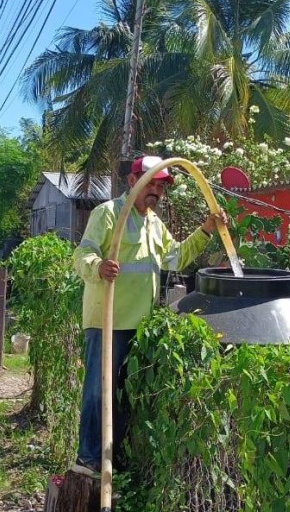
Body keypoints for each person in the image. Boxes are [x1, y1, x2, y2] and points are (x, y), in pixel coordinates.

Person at [71, 155, 227, 478]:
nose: (155, 190)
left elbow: (176, 257)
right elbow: (82, 254)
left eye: (161, 185)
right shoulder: (108, 214)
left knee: (125, 396)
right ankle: (88, 459)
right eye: (150, 182)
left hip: (139, 327)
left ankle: (116, 461)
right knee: (99, 392)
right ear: (132, 182)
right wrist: (98, 267)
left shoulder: (154, 224)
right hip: (107, 321)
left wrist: (206, 230)